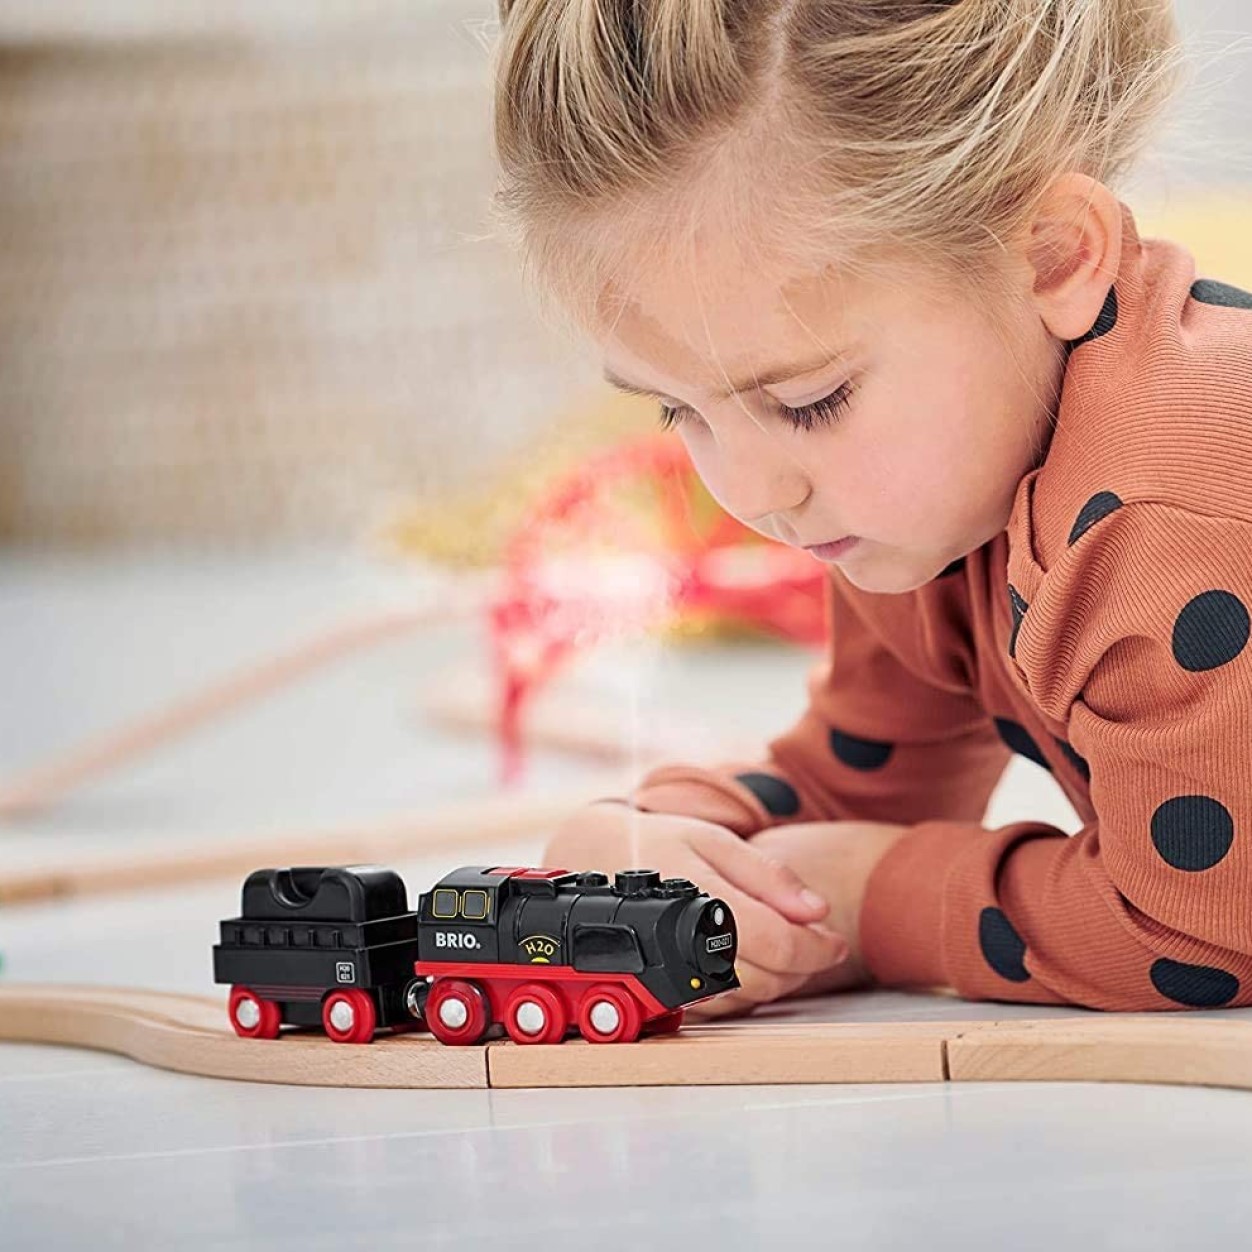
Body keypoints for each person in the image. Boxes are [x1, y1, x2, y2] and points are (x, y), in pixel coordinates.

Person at [489, 0, 1252, 1016]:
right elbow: (865, 785)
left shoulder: (1170, 517)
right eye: (680, 409)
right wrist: (653, 846)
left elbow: (1207, 930)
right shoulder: (924, 515)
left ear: (1055, 257)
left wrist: (866, 899)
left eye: (811, 401)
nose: (752, 492)